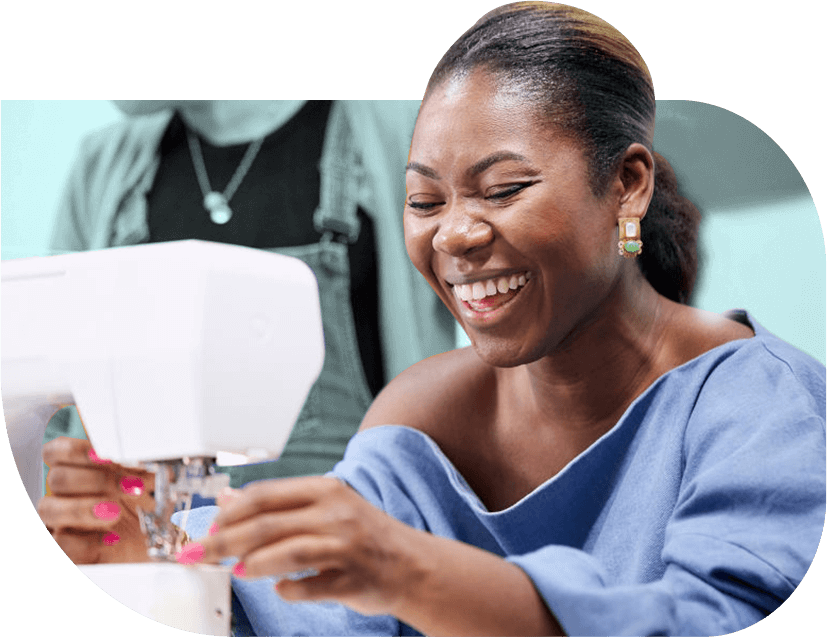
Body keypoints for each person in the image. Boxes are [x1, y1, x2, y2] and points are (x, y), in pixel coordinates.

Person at [38, 5, 825, 636]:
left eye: (502, 187)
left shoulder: (761, 405)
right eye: (424, 201)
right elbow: (321, 610)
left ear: (626, 185)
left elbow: (720, 615)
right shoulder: (423, 417)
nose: (454, 233)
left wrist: (408, 569)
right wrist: (151, 546)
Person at [43, 100, 455, 486]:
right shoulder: (102, 167)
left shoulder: (403, 133)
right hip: (151, 549)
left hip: (345, 538)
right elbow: (57, 395)